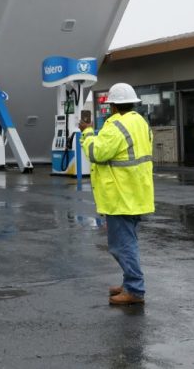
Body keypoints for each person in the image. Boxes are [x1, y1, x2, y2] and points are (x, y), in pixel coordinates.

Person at [79, 82, 154, 305]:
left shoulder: (116, 126)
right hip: (136, 193)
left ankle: (134, 289)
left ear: (112, 106)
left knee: (122, 245)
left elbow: (96, 152)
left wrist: (88, 132)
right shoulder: (140, 122)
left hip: (120, 196)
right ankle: (129, 283)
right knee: (127, 241)